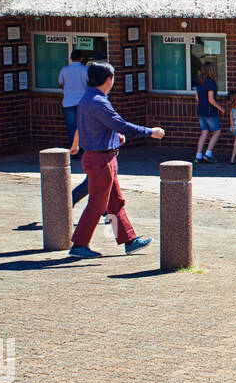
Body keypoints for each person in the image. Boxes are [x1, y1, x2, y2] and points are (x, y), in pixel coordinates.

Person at [68, 61, 165, 258]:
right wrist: (150, 132)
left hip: (101, 157)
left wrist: (114, 137)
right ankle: (79, 245)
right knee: (98, 204)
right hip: (101, 160)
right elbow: (120, 124)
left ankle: (129, 240)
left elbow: (98, 127)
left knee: (114, 202)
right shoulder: (99, 102)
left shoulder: (88, 99)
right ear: (108, 79)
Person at [57, 49, 90, 205]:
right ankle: (82, 149)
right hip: (82, 101)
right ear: (82, 58)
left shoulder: (65, 69)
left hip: (68, 101)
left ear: (71, 57)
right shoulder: (85, 70)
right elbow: (90, 84)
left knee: (72, 127)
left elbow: (60, 84)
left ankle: (74, 150)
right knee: (83, 126)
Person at [194, 61, 224, 164]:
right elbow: (211, 100)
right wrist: (220, 108)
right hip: (210, 111)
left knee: (204, 132)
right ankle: (208, 153)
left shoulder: (199, 82)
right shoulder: (211, 83)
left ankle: (198, 155)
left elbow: (197, 98)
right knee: (216, 131)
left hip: (200, 110)